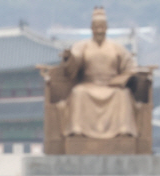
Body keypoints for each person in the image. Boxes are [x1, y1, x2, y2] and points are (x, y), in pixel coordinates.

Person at [58, 7, 137, 138]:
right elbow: (75, 60)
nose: (99, 30)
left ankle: (123, 131)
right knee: (78, 93)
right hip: (88, 85)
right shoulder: (82, 46)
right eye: (96, 27)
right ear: (91, 28)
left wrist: (122, 79)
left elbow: (130, 67)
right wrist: (69, 57)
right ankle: (77, 131)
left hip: (111, 86)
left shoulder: (117, 47)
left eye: (102, 26)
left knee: (123, 95)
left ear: (106, 28)